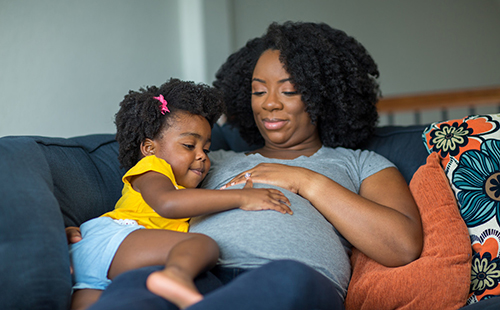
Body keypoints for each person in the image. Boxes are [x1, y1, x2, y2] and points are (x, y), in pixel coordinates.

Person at [68, 21, 423, 310]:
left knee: (289, 280)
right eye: (258, 91)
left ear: (322, 94)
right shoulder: (207, 159)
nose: (269, 104)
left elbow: (402, 245)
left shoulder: (360, 164)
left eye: (288, 91)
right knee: (134, 285)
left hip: (286, 283)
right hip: (193, 275)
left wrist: (306, 182)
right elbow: (146, 205)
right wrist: (82, 236)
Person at [68, 78, 292, 310]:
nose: (202, 156)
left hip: (99, 267)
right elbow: (168, 204)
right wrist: (242, 197)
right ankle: (176, 275)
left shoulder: (181, 184)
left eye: (206, 148)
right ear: (149, 149)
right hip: (116, 238)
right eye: (188, 146)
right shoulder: (153, 169)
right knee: (201, 245)